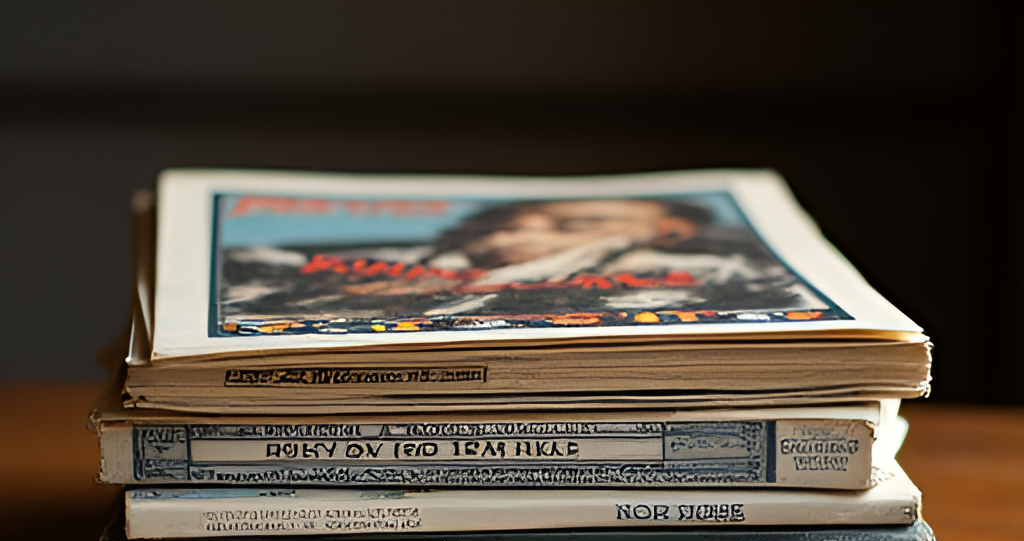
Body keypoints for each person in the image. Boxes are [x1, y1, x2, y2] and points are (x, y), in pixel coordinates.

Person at [221, 196, 824, 326]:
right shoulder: (297, 260)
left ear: (669, 229)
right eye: (510, 219)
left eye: (577, 219)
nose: (526, 228)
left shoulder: (727, 278)